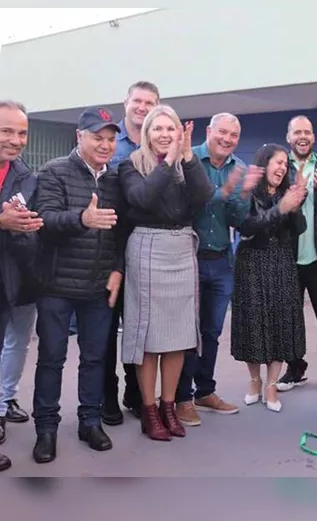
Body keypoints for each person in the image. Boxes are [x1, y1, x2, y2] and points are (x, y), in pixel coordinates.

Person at [31, 107, 127, 464]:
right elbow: (46, 220)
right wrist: (82, 218)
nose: (105, 145)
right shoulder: (54, 171)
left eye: (110, 139)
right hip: (56, 284)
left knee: (95, 358)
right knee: (51, 358)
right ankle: (46, 429)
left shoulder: (115, 179)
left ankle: (90, 421)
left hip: (99, 287)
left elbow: (121, 232)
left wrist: (118, 269)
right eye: (97, 137)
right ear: (79, 137)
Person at [119, 105, 213, 442]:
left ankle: (169, 405)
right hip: (147, 247)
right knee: (148, 336)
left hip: (181, 250)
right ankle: (148, 409)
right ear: (146, 134)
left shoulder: (187, 163)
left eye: (170, 129)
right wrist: (169, 161)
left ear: (179, 133)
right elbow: (142, 199)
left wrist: (187, 157)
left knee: (177, 335)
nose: (164, 134)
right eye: (157, 129)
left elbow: (204, 196)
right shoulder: (131, 165)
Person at [174, 112, 262, 427]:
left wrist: (244, 194)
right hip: (188, 258)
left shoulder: (238, 168)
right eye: (222, 132)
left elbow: (238, 219)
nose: (227, 140)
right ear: (209, 131)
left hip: (221, 261)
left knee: (212, 332)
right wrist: (224, 194)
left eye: (233, 136)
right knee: (186, 334)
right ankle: (181, 398)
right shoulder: (188, 159)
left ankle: (205, 391)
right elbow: (189, 204)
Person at [232, 144, 308, 412]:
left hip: (282, 263)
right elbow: (247, 226)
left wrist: (295, 205)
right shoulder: (249, 192)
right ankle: (254, 380)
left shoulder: (289, 193)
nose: (282, 168)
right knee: (254, 325)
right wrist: (280, 208)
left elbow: (300, 229)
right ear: (265, 165)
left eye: (286, 164)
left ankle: (271, 384)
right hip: (252, 263)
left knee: (279, 325)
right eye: (278, 163)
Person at [102, 80, 160, 425]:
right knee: (107, 330)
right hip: (110, 250)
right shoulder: (112, 143)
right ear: (126, 102)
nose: (142, 107)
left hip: (146, 251)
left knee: (139, 328)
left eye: (149, 102)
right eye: (137, 100)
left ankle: (135, 394)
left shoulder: (159, 143)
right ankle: (107, 397)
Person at [277, 116, 317, 393]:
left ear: (313, 137)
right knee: (291, 315)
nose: (303, 136)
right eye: (297, 132)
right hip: (288, 255)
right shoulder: (279, 166)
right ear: (288, 137)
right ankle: (295, 368)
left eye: (307, 132)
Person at [0, 100, 40, 472]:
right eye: (7, 131)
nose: (15, 140)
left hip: (17, 278)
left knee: (16, 344)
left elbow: (29, 224)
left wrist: (30, 230)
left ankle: (3, 402)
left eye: (22, 133)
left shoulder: (27, 176)